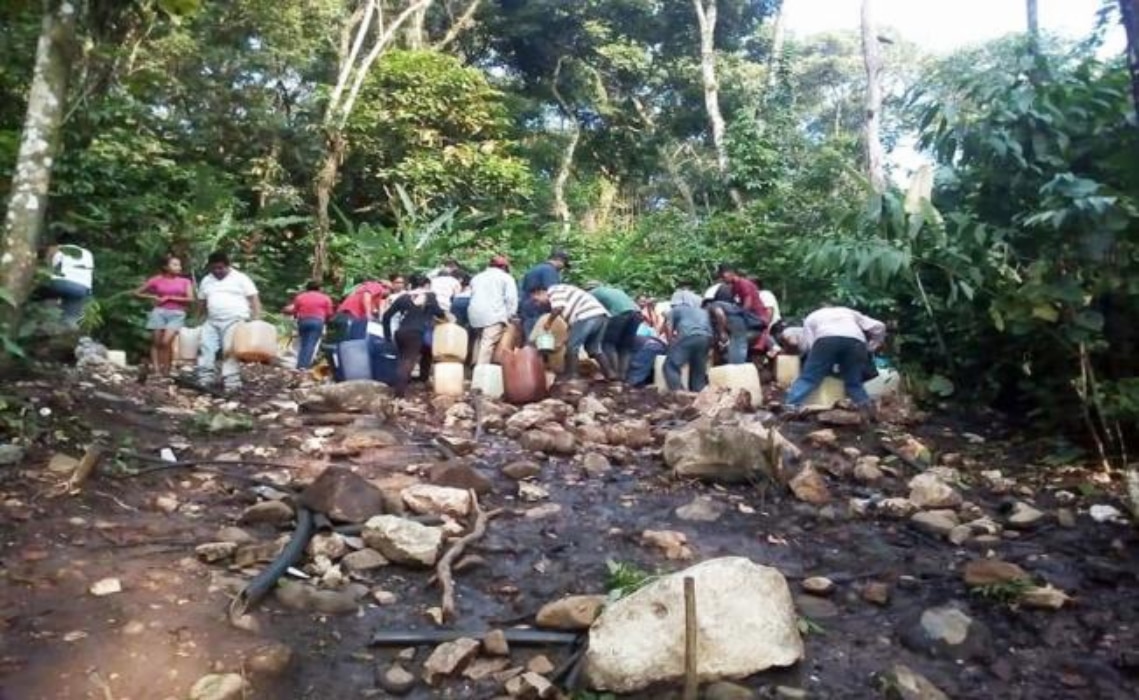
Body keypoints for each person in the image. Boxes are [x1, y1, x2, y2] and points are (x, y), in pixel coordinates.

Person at [784, 305, 886, 412]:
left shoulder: (811, 317)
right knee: (853, 382)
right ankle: (866, 408)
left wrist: (815, 362)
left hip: (826, 339)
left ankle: (791, 405)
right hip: (856, 341)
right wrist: (872, 346)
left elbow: (810, 345)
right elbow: (880, 326)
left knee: (809, 378)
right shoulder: (849, 312)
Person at [196, 251, 261, 393]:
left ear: (228, 266)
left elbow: (254, 298)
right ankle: (204, 379)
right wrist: (198, 318)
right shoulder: (207, 280)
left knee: (230, 350)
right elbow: (201, 301)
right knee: (206, 347)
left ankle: (232, 382)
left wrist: (256, 318)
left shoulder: (240, 278)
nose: (217, 271)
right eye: (214, 268)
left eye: (220, 268)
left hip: (235, 319)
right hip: (212, 320)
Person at [530, 283, 613, 380]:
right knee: (594, 349)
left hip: (587, 315)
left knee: (572, 347)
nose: (538, 304)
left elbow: (557, 308)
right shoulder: (566, 295)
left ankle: (572, 376)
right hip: (601, 316)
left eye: (536, 300)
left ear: (540, 292)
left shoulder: (553, 290)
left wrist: (549, 323)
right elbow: (572, 325)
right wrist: (566, 337)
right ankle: (611, 374)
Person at [382, 274, 445, 397]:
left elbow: (386, 316)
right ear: (426, 285)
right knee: (408, 362)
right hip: (417, 333)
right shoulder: (430, 296)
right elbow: (440, 313)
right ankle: (399, 394)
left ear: (411, 285)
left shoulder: (403, 297)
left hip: (401, 333)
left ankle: (422, 379)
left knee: (424, 353)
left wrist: (387, 335)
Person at [135, 255, 195, 377]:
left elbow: (191, 298)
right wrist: (152, 297)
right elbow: (137, 292)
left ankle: (166, 370)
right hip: (159, 312)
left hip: (177, 313)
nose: (179, 267)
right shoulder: (156, 279)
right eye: (175, 265)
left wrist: (171, 297)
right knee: (156, 342)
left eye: (179, 265)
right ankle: (157, 371)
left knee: (166, 341)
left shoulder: (185, 281)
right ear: (165, 267)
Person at [586, 281, 642, 380]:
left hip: (619, 314)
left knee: (608, 344)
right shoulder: (615, 290)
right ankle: (623, 377)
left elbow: (592, 313)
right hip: (637, 314)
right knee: (625, 347)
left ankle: (614, 376)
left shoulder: (592, 293)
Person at [468, 255, 518, 365]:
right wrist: (510, 315)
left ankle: (474, 366)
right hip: (494, 314)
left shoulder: (477, 277)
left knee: (479, 340)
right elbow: (511, 299)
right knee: (488, 342)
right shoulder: (506, 278)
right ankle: (481, 372)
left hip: (475, 315)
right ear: (504, 267)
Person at [715, 264, 770, 363]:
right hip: (747, 318)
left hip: (756, 319)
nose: (723, 280)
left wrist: (739, 318)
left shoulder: (743, 283)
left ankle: (738, 366)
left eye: (723, 277)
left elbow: (747, 304)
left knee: (716, 305)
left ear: (731, 273)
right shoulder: (733, 287)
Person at [36, 236, 94, 327]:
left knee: (35, 294)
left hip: (61, 283)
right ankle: (68, 336)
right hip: (82, 288)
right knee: (70, 320)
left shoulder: (58, 248)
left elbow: (46, 269)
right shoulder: (88, 253)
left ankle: (42, 322)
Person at [663, 289, 713, 391]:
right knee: (698, 370)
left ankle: (678, 393)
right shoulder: (702, 311)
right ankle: (698, 394)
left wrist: (670, 343)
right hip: (705, 338)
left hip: (688, 336)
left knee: (671, 365)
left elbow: (668, 325)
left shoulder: (676, 309)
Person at [284, 280, 334, 370]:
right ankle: (303, 366)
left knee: (303, 344)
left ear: (307, 288)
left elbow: (295, 311)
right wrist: (326, 322)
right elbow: (329, 313)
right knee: (310, 344)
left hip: (303, 321)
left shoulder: (300, 297)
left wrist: (296, 318)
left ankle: (300, 364)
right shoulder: (325, 298)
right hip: (317, 322)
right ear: (320, 288)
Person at [520, 249, 569, 337]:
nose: (562, 268)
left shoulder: (534, 269)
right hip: (538, 309)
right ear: (559, 260)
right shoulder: (550, 271)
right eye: (564, 265)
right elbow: (554, 292)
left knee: (530, 336)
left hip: (527, 307)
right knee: (539, 339)